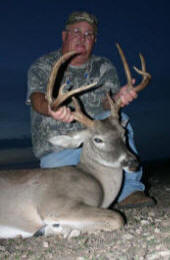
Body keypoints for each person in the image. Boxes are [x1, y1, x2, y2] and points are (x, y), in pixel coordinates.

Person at [26, 11, 155, 208]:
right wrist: (51, 108)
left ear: (94, 40)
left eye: (89, 34)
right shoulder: (43, 66)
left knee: (119, 120)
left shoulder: (103, 67)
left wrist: (117, 98)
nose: (82, 38)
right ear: (64, 35)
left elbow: (106, 103)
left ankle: (130, 191)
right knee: (67, 202)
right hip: (60, 151)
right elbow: (36, 99)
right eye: (76, 31)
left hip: (100, 148)